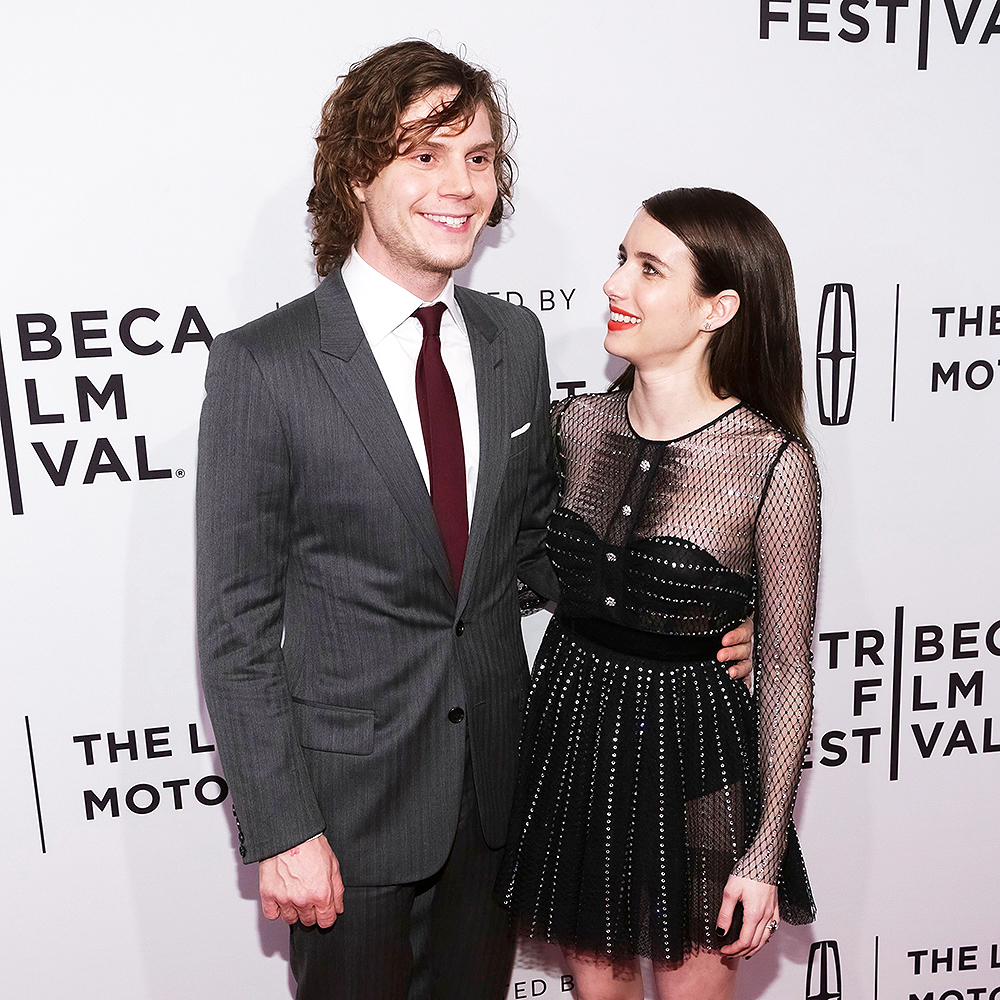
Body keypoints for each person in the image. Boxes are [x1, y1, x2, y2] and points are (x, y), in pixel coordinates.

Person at [196, 40, 753, 1000]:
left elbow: (530, 548)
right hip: (350, 812)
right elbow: (235, 628)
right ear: (358, 174)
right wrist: (282, 826)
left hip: (500, 789)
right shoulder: (266, 366)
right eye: (426, 155)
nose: (461, 186)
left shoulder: (511, 339)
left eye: (481, 158)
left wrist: (684, 619)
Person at [498, 188, 820, 1000]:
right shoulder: (575, 426)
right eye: (620, 260)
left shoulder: (769, 462)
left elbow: (785, 670)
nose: (615, 285)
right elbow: (523, 581)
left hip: (698, 760)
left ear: (718, 308)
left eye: (648, 269)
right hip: (573, 737)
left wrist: (762, 853)